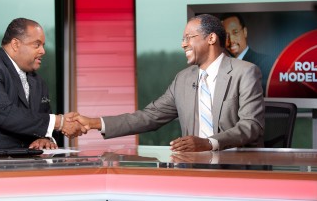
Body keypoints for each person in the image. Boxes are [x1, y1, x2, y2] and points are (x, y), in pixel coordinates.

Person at [70, 14, 264, 152]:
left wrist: (209, 143)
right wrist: (94, 122)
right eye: (183, 39)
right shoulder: (183, 79)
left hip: (235, 167)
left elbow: (251, 126)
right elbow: (150, 116)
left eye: (189, 37)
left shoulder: (245, 72)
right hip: (193, 167)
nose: (183, 44)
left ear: (211, 38)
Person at [0, 18, 84, 150]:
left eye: (43, 45)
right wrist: (59, 122)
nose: (43, 51)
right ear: (15, 44)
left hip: (18, 162)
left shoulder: (38, 81)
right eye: (37, 45)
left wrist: (45, 138)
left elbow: (43, 121)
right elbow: (5, 114)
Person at [221, 13, 274, 94]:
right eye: (226, 35)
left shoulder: (265, 63)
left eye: (235, 32)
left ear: (245, 32)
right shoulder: (221, 66)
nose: (231, 40)